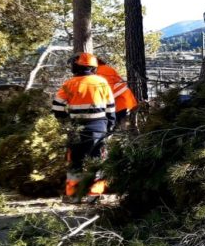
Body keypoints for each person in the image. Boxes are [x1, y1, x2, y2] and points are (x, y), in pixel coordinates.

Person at [51, 52, 116, 202]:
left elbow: (57, 106)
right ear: (93, 67)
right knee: (97, 160)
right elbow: (111, 107)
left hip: (77, 129)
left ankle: (74, 195)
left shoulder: (69, 83)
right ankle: (94, 195)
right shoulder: (102, 82)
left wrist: (64, 121)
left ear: (76, 67)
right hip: (99, 127)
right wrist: (110, 125)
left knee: (75, 160)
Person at [94, 57, 139, 129]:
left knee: (116, 124)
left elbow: (107, 90)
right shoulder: (105, 69)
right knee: (120, 122)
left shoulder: (100, 71)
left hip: (119, 100)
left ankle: (121, 136)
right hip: (122, 98)